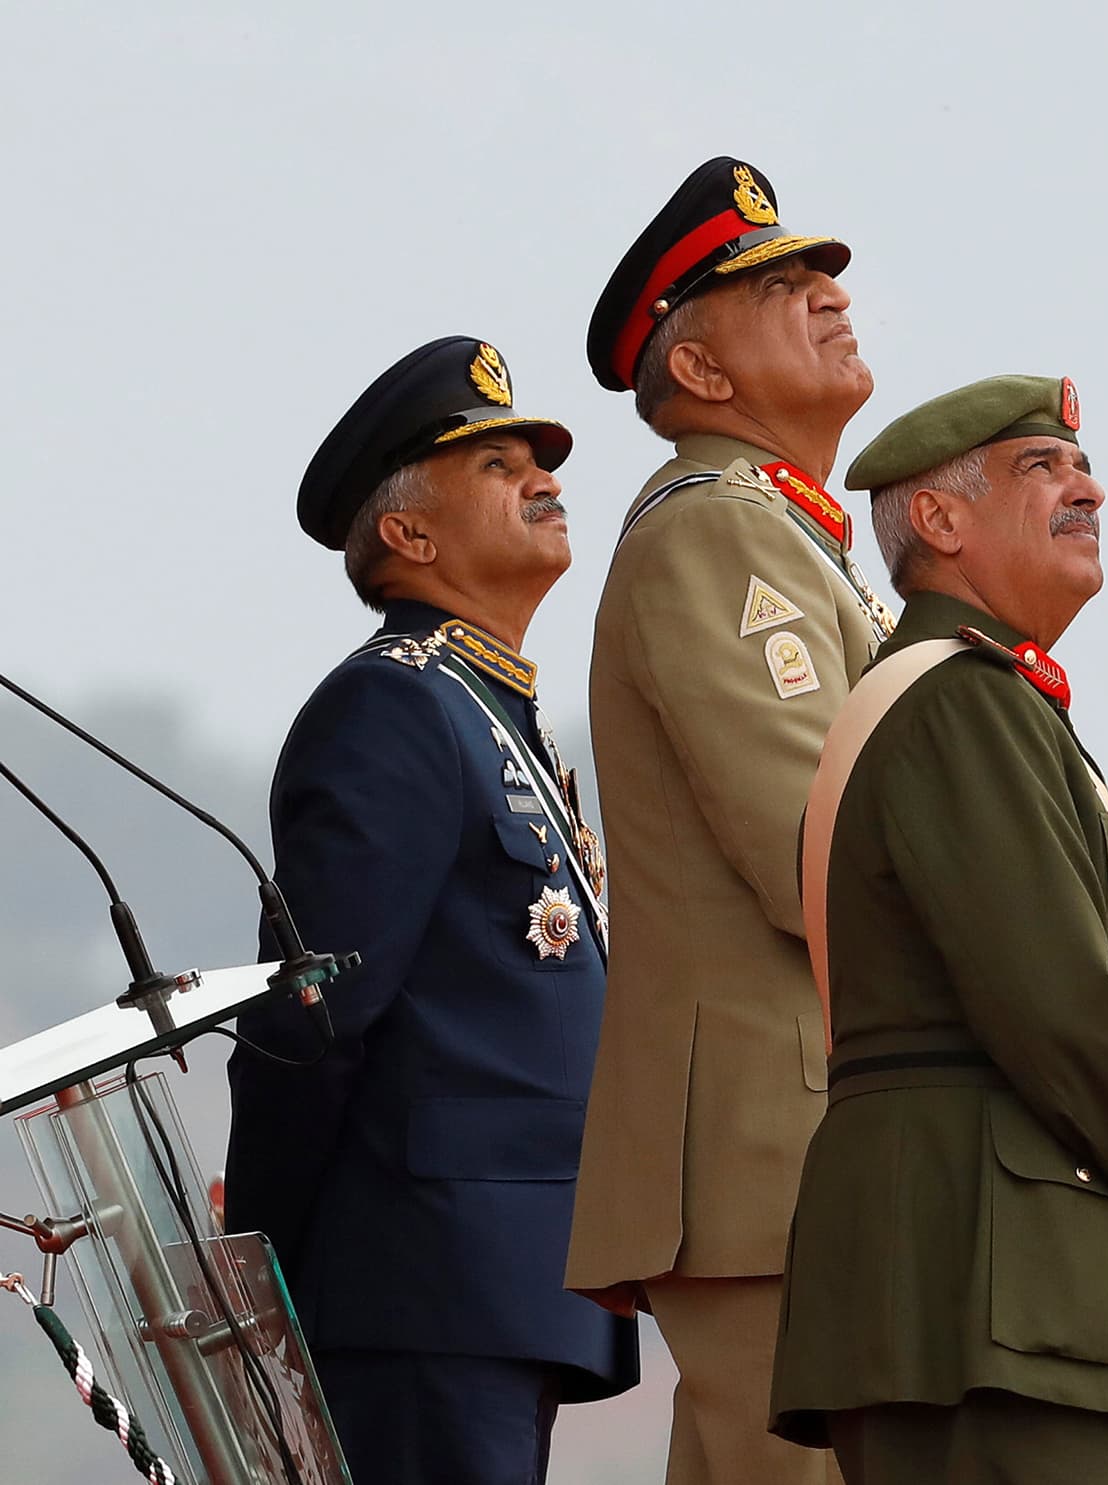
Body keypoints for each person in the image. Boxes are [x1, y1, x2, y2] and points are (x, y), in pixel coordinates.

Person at [769, 375, 1108, 1484]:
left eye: (1079, 467)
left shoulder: (974, 697)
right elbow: (1058, 1000)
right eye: (1044, 468)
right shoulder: (963, 702)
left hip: (961, 1277)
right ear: (938, 522)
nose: (1089, 489)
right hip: (990, 1285)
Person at [224, 336, 638, 1485]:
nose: (544, 480)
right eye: (498, 467)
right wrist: (258, 1255)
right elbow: (315, 1019)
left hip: (509, 1283)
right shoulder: (390, 708)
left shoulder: (490, 713)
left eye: (539, 461)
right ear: (408, 535)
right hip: (424, 1283)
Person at [565, 157, 893, 1485]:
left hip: (800, 1142)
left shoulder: (789, 535)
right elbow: (812, 845)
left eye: (823, 277)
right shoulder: (722, 532)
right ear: (697, 374)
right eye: (781, 289)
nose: (828, 299)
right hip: (776, 1146)